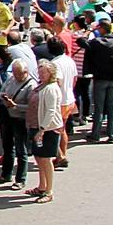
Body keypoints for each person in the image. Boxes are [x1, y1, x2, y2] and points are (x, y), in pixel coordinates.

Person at [30, 59, 63, 203]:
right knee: (39, 157)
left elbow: (51, 111)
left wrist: (42, 130)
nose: (41, 74)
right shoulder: (43, 86)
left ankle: (49, 191)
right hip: (39, 126)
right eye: (40, 72)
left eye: (44, 72)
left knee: (46, 159)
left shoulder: (51, 88)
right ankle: (42, 186)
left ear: (51, 73)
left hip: (48, 128)